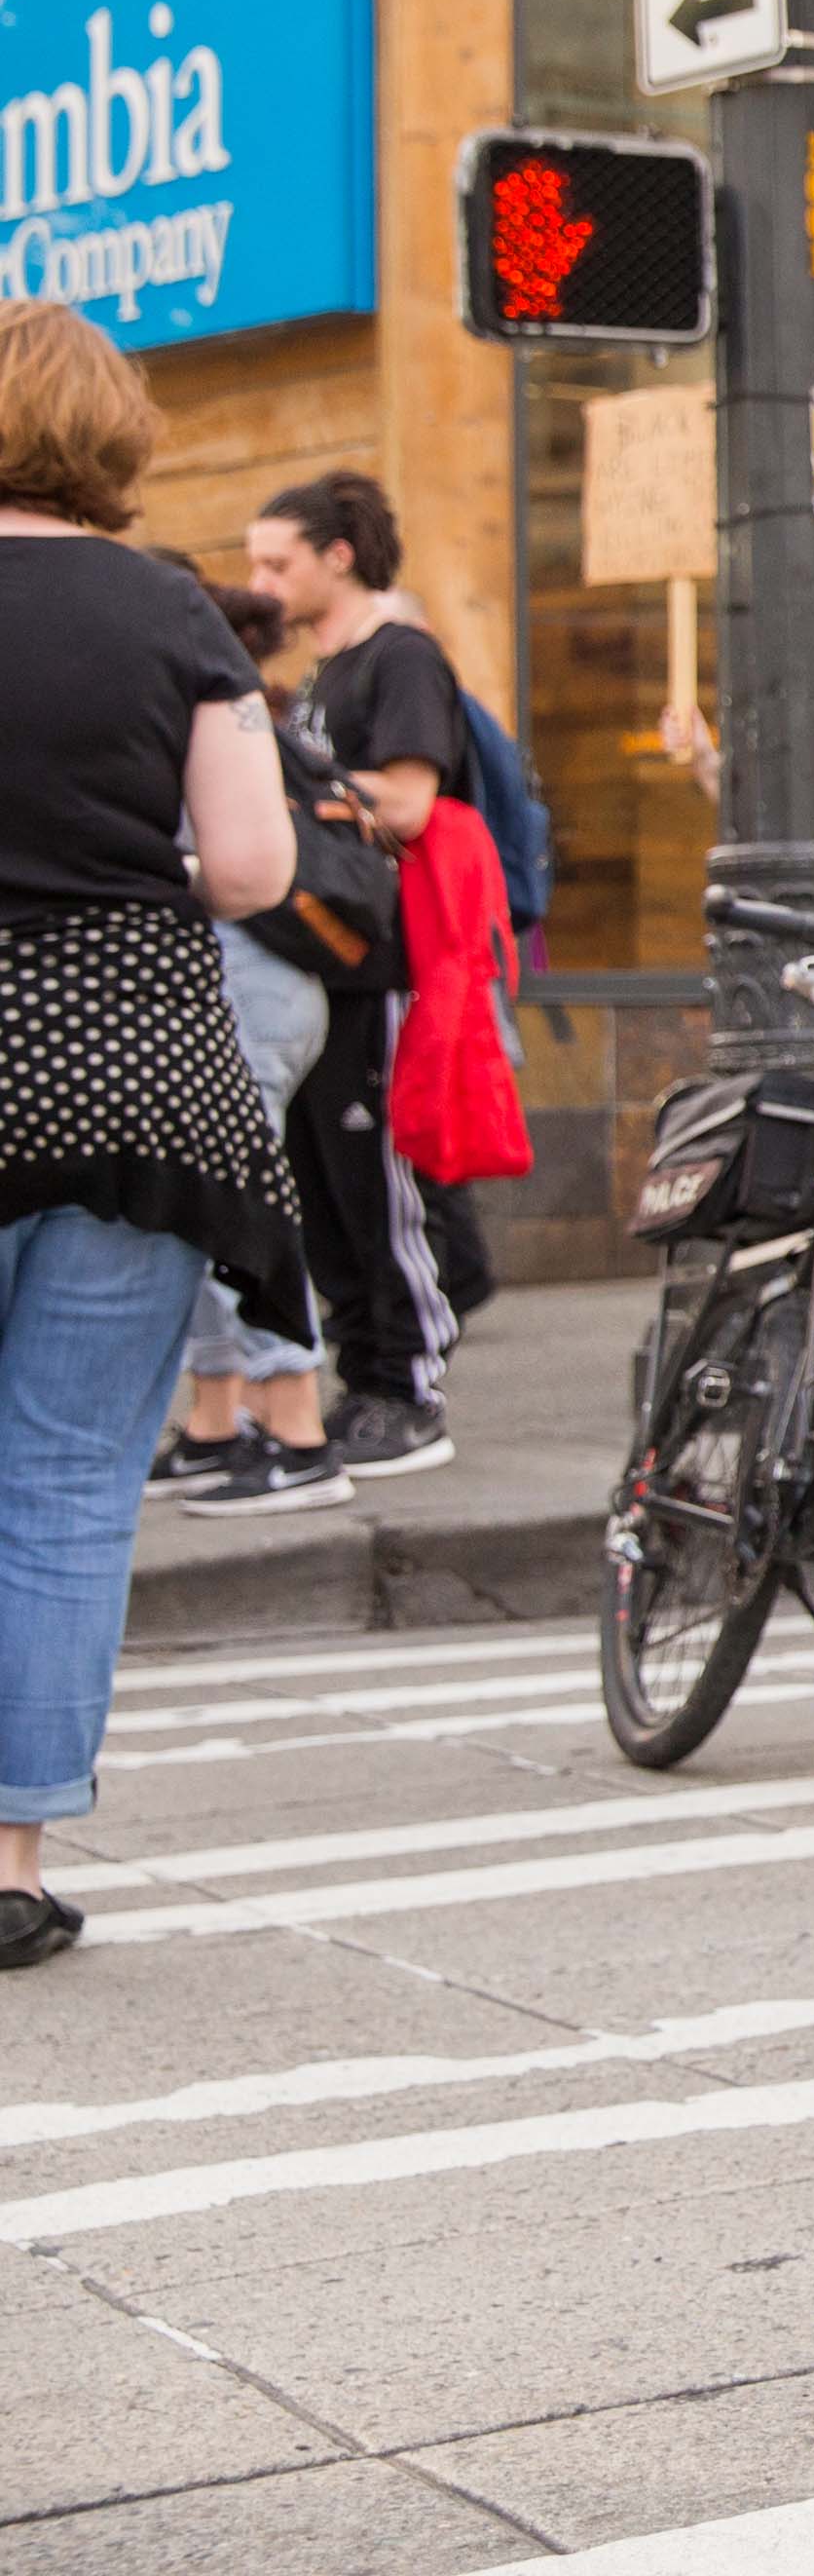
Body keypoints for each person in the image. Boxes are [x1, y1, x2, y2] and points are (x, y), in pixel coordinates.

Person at [0, 305, 305, 1968]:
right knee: (62, 1479)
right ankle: (9, 1857)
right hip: (131, 1083)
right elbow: (252, 868)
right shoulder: (172, 607)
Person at [241, 471, 472, 1481]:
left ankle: (408, 1388)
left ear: (337, 558)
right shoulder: (323, 673)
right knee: (325, 1185)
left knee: (376, 1186)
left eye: (276, 563)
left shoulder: (399, 656)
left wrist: (299, 790)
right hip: (322, 958)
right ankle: (365, 1381)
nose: (260, 583)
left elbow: (412, 803)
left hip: (380, 959)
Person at [148, 583, 338, 1516]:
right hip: (240, 990)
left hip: (244, 992)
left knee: (236, 1206)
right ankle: (217, 1421)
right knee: (201, 1211)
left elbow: (242, 869)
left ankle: (298, 1432)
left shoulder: (205, 716)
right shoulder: (200, 707)